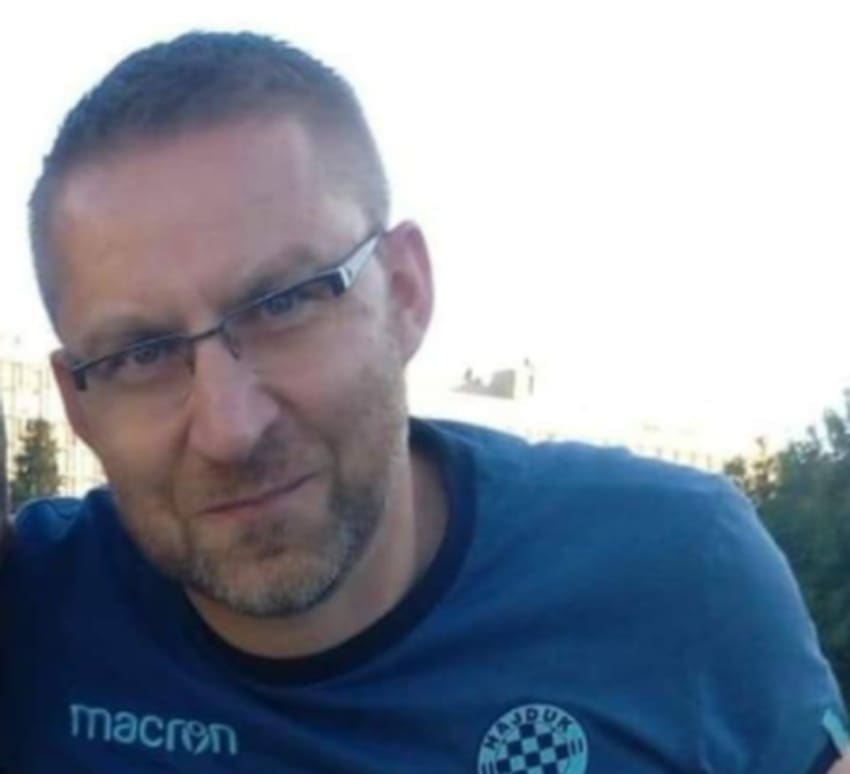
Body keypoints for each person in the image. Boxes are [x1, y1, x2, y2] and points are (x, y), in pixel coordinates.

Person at [0, 30, 847, 773]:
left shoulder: (675, 573)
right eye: (141, 354)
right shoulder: (33, 615)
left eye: (285, 303)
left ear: (405, 292)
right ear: (79, 405)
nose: (230, 428)